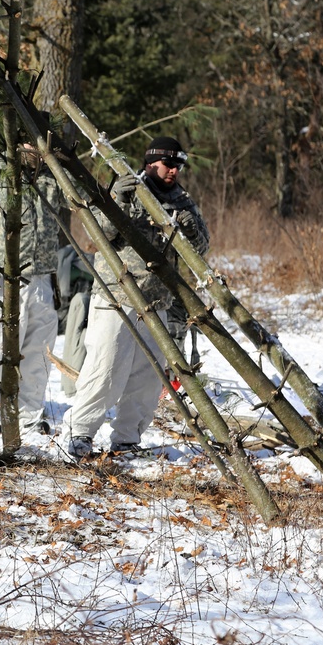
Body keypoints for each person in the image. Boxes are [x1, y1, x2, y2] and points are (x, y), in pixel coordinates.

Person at [65, 136, 209, 460]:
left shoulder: (183, 202)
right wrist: (117, 198)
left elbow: (200, 251)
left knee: (146, 378)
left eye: (178, 166)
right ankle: (80, 434)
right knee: (105, 368)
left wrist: (189, 229)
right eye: (168, 164)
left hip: (158, 302)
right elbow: (97, 233)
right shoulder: (126, 187)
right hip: (117, 293)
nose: (174, 171)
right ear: (150, 162)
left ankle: (128, 440)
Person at [0, 135, 64, 438]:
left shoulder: (52, 177)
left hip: (43, 279)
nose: (42, 151)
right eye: (36, 143)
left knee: (38, 353)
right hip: (1, 278)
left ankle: (31, 414)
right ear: (20, 141)